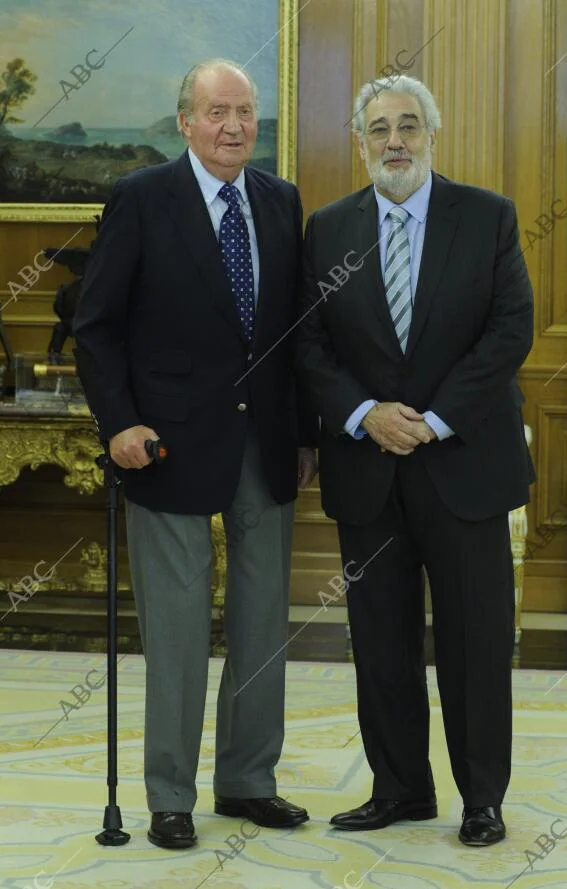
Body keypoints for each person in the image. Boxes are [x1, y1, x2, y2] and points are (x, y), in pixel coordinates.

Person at [74, 58, 317, 849]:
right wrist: (118, 422)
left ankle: (248, 779)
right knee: (178, 631)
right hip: (165, 447)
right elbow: (98, 324)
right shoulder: (144, 198)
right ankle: (170, 793)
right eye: (217, 112)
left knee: (261, 625)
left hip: (268, 445)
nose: (235, 127)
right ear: (185, 121)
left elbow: (298, 333)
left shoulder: (281, 201)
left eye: (245, 112)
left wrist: (308, 430)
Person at [297, 74, 535, 846]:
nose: (393, 140)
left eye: (407, 125)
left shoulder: (488, 216)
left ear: (433, 134)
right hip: (369, 471)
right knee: (381, 641)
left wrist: (429, 421)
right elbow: (310, 345)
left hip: (463, 466)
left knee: (474, 642)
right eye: (378, 129)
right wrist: (368, 415)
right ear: (361, 142)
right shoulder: (327, 230)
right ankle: (399, 787)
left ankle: (481, 799)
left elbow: (509, 330)